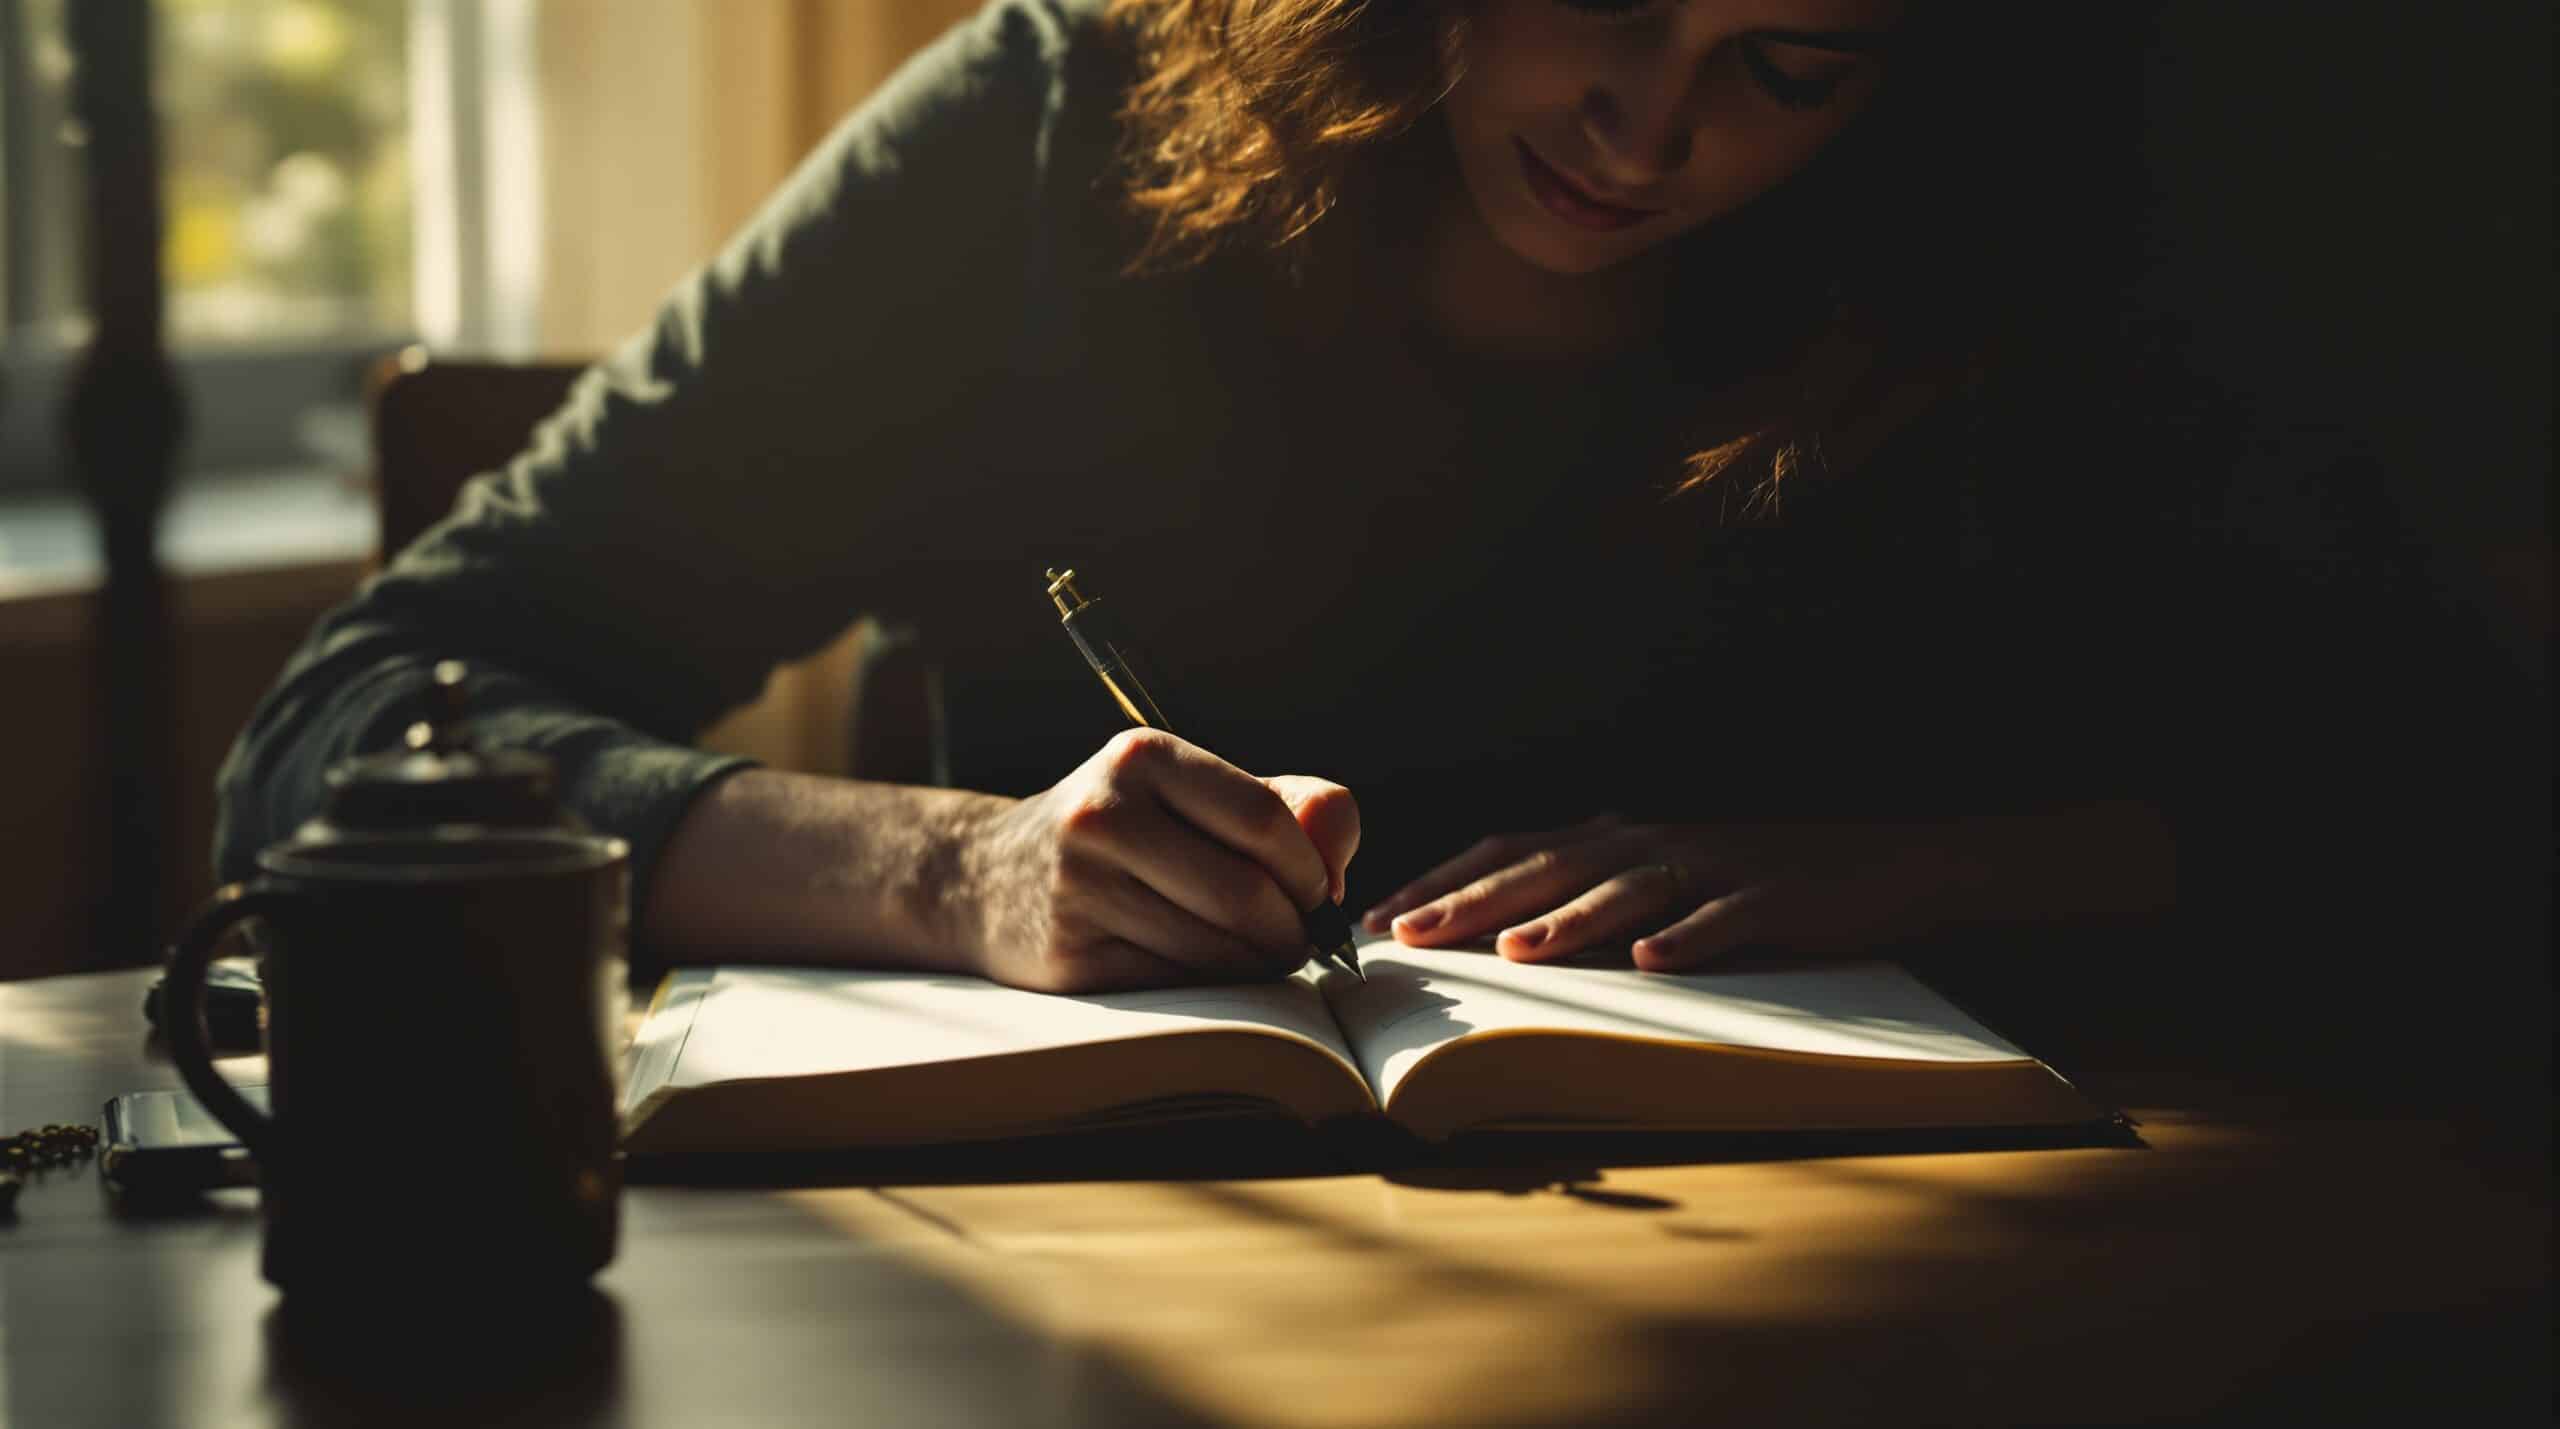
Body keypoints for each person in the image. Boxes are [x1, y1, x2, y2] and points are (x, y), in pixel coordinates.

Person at [216, 0, 2507, 1022]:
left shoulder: (2031, 249)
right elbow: (343, 736)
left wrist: (1931, 864)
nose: (1640, 124)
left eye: (1781, 65)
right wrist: (959, 866)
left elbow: (2440, 791)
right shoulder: (1052, 149)